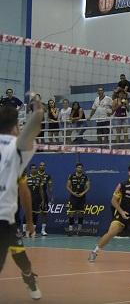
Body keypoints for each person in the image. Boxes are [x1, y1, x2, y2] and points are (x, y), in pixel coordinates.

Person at [0, 101, 44, 299]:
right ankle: (29, 278)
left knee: (19, 254)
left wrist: (28, 221)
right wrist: (39, 110)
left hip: (8, 219)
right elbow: (33, 129)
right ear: (16, 126)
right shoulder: (17, 148)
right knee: (19, 254)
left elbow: (24, 190)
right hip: (4, 218)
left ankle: (29, 278)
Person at [66, 163, 90, 236]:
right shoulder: (71, 176)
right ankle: (70, 230)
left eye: (81, 167)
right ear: (76, 168)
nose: (80, 169)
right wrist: (73, 193)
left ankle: (79, 231)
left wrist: (82, 193)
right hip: (73, 197)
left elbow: (88, 187)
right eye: (78, 167)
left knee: (81, 214)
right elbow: (67, 186)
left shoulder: (85, 177)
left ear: (82, 169)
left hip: (82, 198)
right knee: (71, 213)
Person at [24, 164, 42, 236]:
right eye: (32, 168)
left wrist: (42, 199)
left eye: (35, 168)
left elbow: (41, 190)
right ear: (30, 169)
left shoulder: (39, 178)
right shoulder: (26, 177)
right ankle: (26, 232)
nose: (34, 169)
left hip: (36, 199)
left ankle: (33, 232)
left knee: (35, 215)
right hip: (28, 199)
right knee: (27, 215)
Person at [37, 162, 53, 236]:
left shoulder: (47, 176)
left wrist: (51, 195)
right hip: (35, 195)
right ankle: (31, 230)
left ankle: (43, 230)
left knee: (44, 213)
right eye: (41, 165)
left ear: (45, 167)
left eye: (43, 165)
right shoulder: (35, 174)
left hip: (44, 196)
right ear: (39, 166)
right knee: (33, 213)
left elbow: (49, 187)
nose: (42, 166)